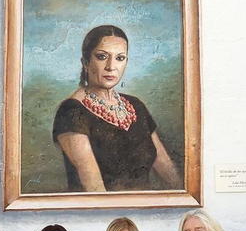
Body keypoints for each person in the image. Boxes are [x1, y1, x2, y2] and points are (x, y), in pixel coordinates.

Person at [52, 24, 182, 192]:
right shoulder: (72, 111)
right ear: (85, 62)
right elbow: (94, 188)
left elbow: (170, 174)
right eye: (102, 56)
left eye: (120, 58)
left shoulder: (136, 106)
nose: (111, 66)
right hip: (103, 213)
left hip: (145, 209)